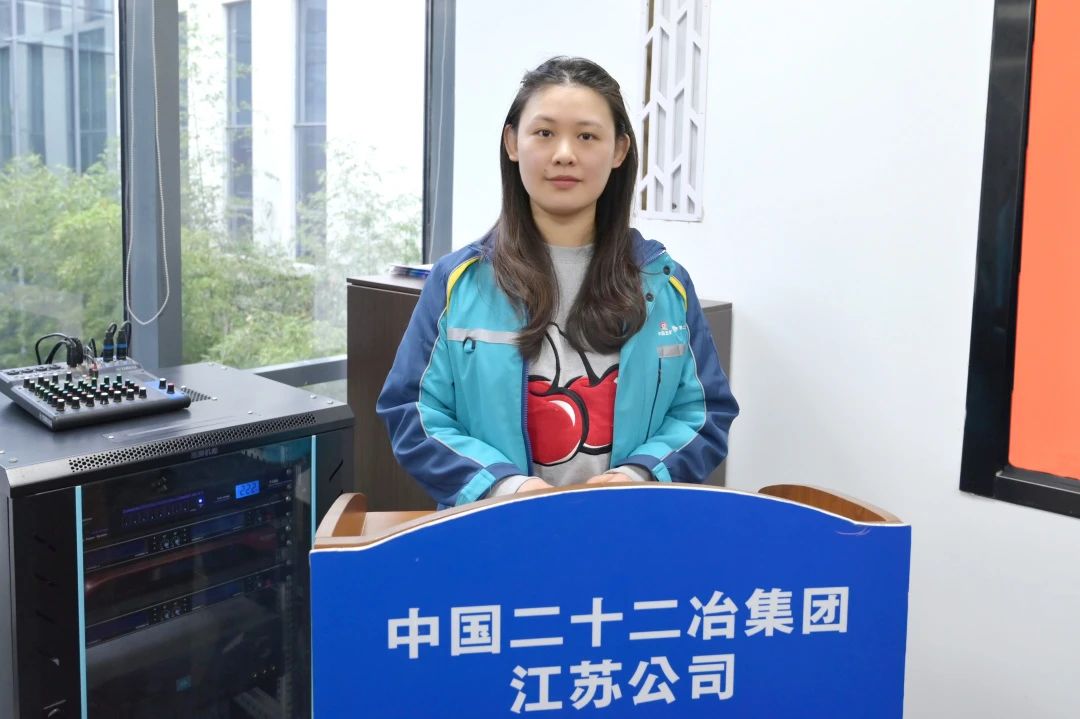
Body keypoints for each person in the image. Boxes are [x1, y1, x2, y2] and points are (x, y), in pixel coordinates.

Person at [377, 56, 738, 508]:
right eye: (545, 133)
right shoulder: (458, 283)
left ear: (619, 151)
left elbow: (704, 414)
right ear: (512, 142)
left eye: (587, 136)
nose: (564, 153)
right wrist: (505, 487)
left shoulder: (666, 285)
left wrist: (640, 474)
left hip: (626, 527)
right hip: (495, 528)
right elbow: (413, 413)